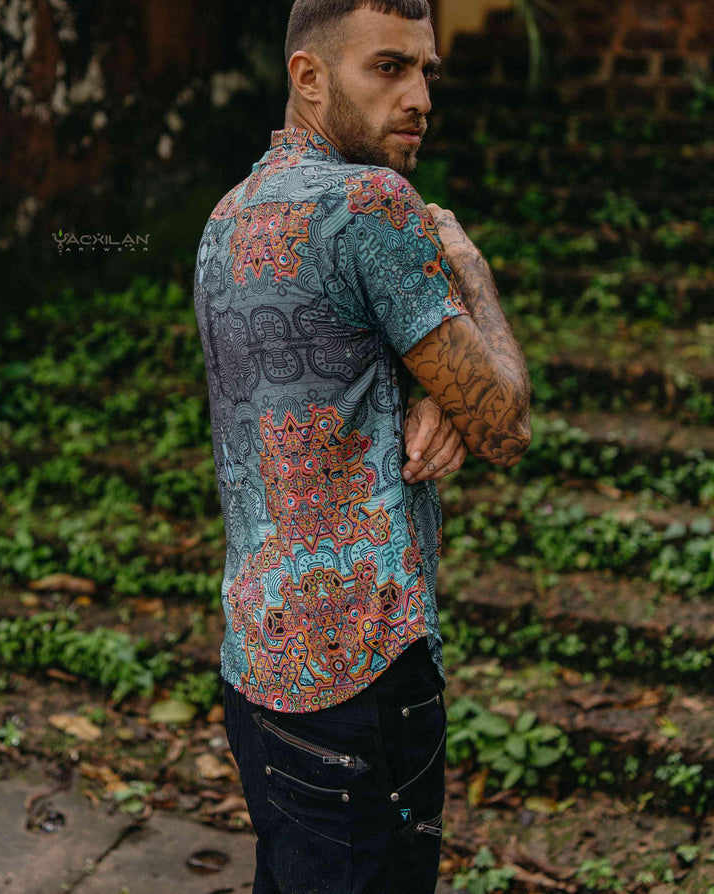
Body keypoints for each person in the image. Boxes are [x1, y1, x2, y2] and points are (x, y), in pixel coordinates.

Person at [192, 1, 531, 891]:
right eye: (389, 67)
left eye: (426, 71)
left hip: (259, 661)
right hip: (364, 675)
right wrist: (468, 266)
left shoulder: (228, 216)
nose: (420, 97)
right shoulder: (374, 203)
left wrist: (433, 392)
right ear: (308, 77)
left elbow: (331, 371)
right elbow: (505, 425)